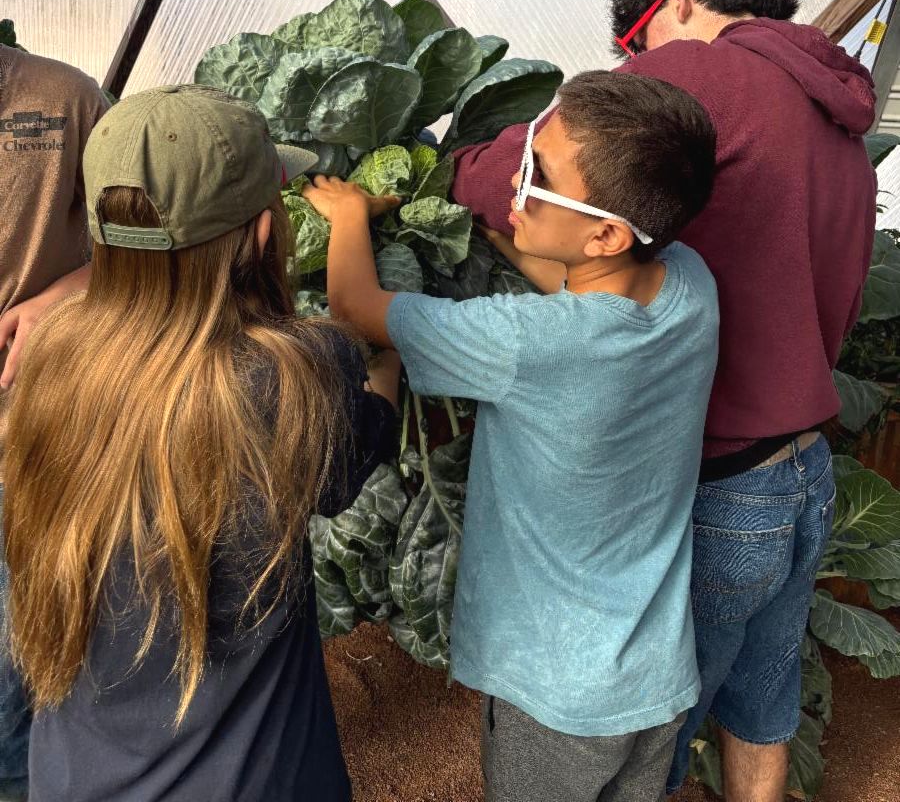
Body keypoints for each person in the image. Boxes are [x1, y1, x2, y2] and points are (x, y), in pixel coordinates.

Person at [450, 0, 878, 802]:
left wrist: (451, 173)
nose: (631, 60)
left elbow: (509, 177)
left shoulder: (699, 72)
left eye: (632, 39)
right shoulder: (842, 115)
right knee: (762, 705)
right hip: (804, 474)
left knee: (649, 742)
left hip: (718, 491)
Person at [304, 70, 720, 802]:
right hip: (654, 674)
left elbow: (355, 304)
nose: (517, 183)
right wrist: (510, 233)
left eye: (538, 175)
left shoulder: (528, 344)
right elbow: (588, 285)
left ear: (605, 232)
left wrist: (347, 215)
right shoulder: (690, 285)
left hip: (554, 694)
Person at [3, 85, 398, 802]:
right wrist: (387, 360)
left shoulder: (52, 357)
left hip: (72, 777)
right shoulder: (292, 375)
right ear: (263, 236)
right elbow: (351, 458)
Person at [0, 41, 109, 799]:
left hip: (40, 415)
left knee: (31, 616)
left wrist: (55, 298)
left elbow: (140, 242)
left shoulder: (62, 96)